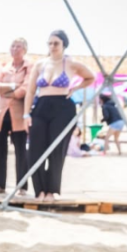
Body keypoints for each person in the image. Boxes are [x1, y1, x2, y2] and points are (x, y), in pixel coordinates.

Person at [23, 30, 95, 202]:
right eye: (50, 43)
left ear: (64, 45)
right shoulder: (40, 64)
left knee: (57, 150)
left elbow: (90, 77)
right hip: (41, 106)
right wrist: (26, 114)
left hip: (63, 107)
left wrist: (76, 88)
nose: (52, 46)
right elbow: (31, 90)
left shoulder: (71, 63)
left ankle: (51, 190)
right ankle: (39, 190)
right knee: (35, 149)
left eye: (56, 43)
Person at [0, 38, 31, 195]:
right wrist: (15, 88)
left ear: (25, 49)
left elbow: (26, 88)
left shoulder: (30, 67)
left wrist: (10, 91)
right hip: (0, 113)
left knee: (21, 151)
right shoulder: (3, 67)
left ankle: (22, 185)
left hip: (19, 114)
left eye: (18, 46)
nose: (15, 49)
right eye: (12, 46)